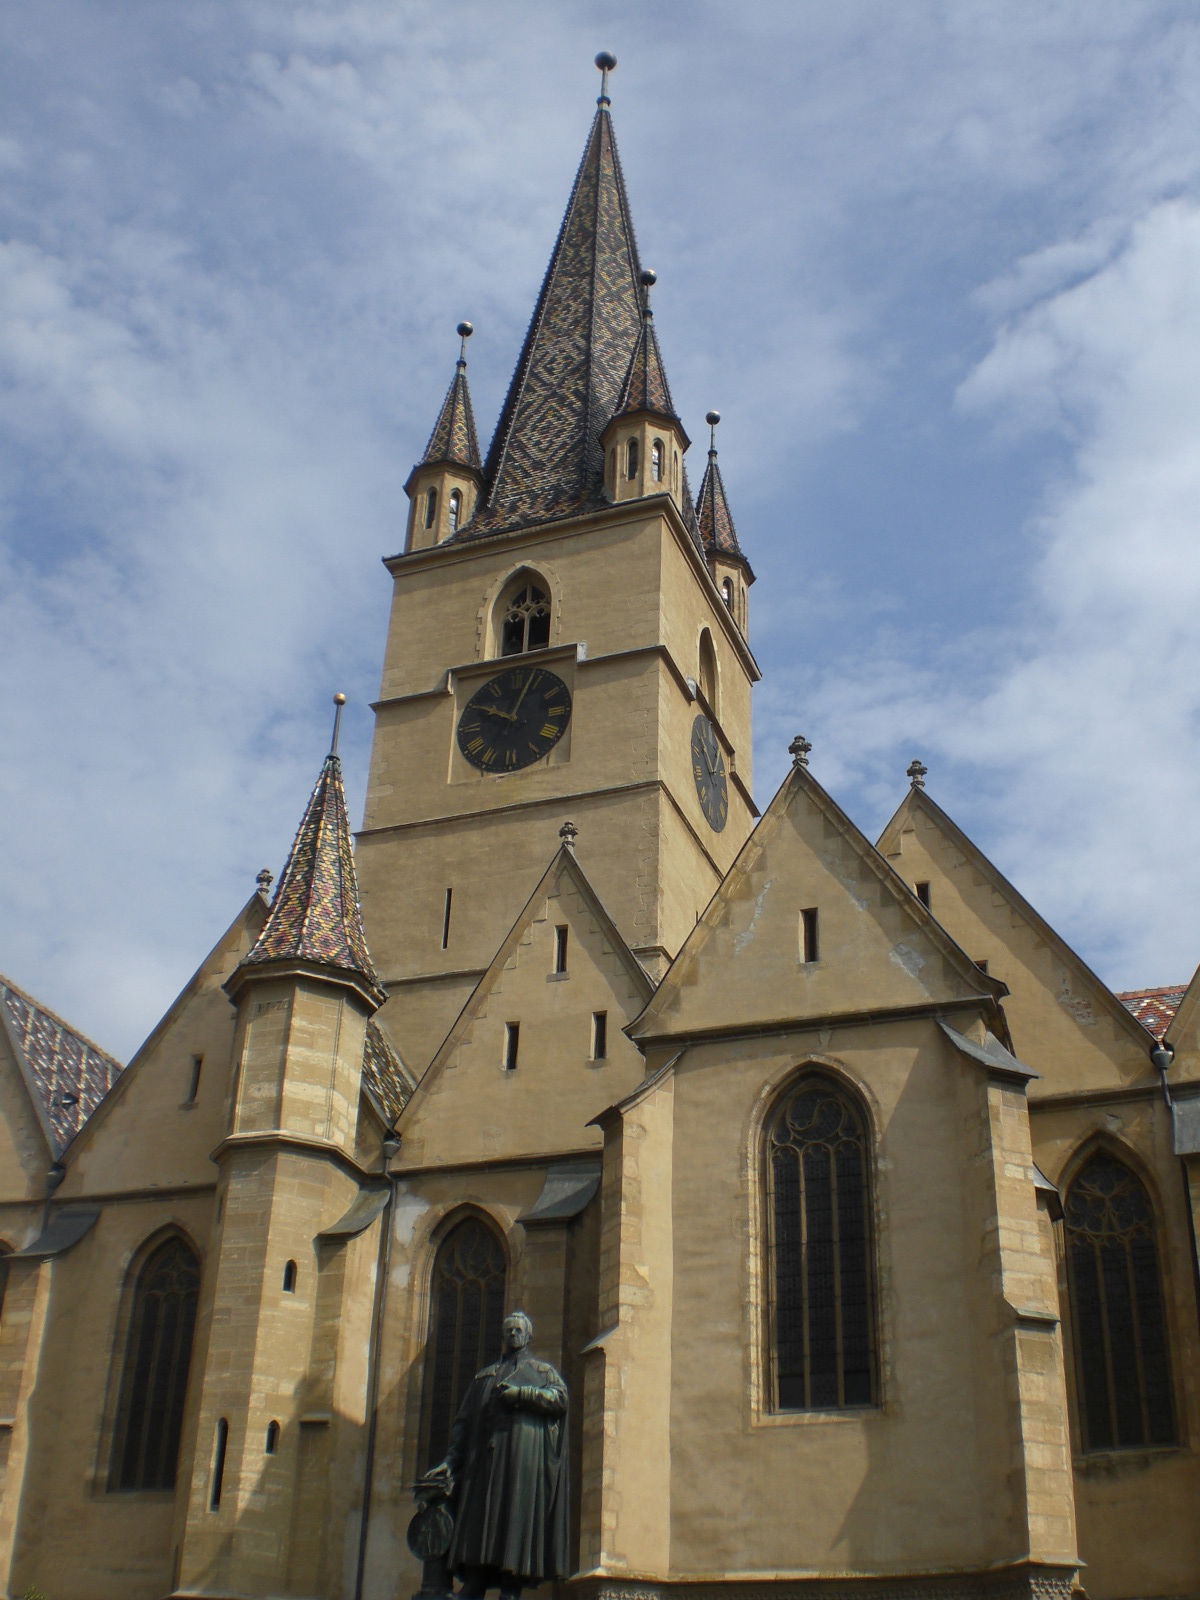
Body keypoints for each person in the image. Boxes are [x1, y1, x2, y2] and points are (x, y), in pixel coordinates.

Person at [423, 1311, 568, 1600]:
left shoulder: (542, 1373)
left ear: (529, 1336)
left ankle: (510, 1588)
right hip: (483, 1466)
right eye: (508, 1331)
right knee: (479, 1521)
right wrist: (450, 1461)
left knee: (514, 1522)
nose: (513, 1334)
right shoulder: (484, 1376)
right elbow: (462, 1423)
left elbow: (560, 1398)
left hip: (521, 1464)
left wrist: (523, 1395)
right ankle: (474, 1583)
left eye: (518, 1330)